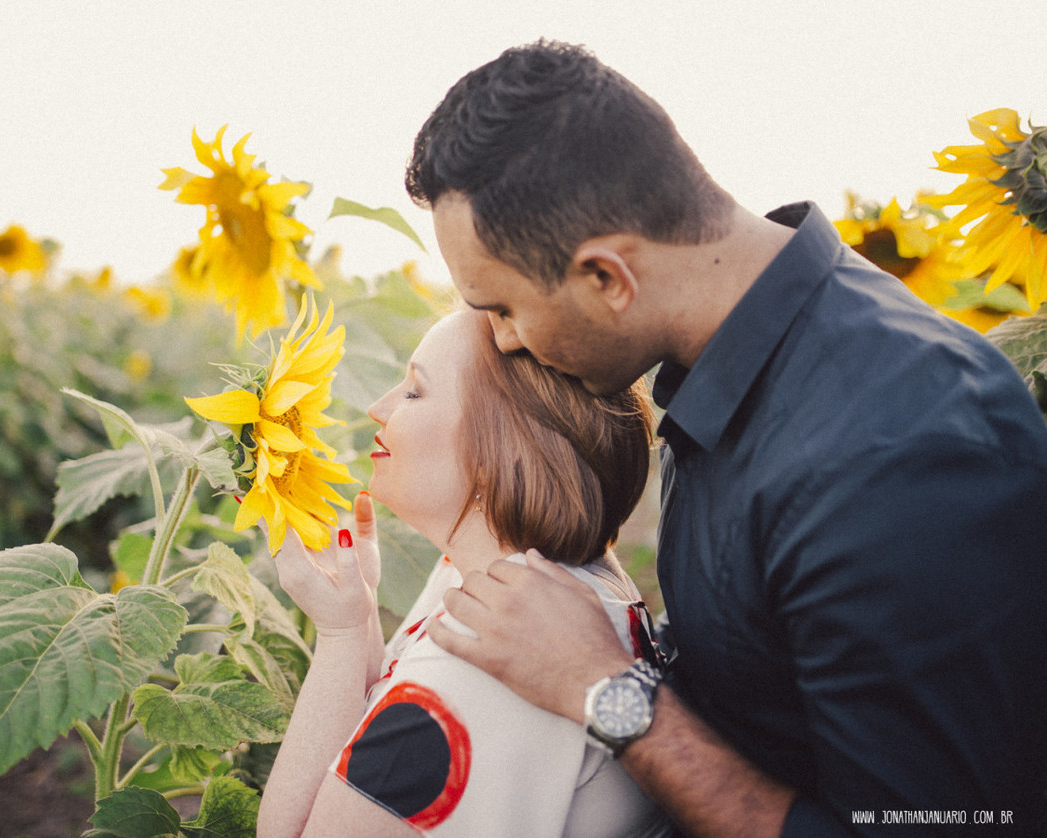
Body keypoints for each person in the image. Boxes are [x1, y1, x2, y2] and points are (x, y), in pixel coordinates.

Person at [406, 39, 1047, 837]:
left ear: (608, 277)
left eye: (501, 306)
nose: (498, 341)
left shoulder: (899, 451)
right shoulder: (735, 364)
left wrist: (607, 690)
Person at [257, 309, 675, 837]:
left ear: (500, 445)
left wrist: (339, 636)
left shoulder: (484, 664)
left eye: (414, 392)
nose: (377, 407)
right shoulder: (522, 585)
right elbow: (372, 728)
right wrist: (357, 613)